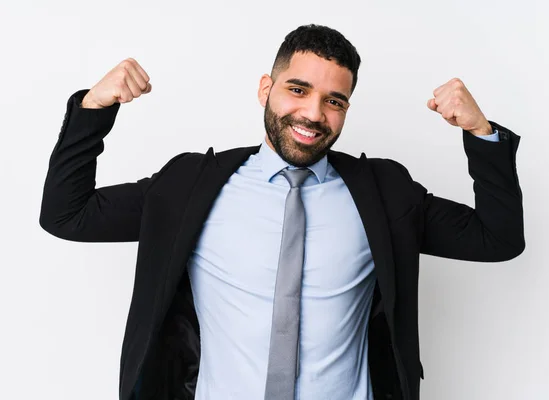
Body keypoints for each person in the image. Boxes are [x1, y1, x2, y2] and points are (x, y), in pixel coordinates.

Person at [39, 24, 524, 400]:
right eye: (298, 89)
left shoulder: (385, 193)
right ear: (265, 88)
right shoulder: (191, 186)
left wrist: (481, 134)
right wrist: (93, 108)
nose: (314, 114)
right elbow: (67, 214)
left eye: (334, 101)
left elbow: (497, 239)